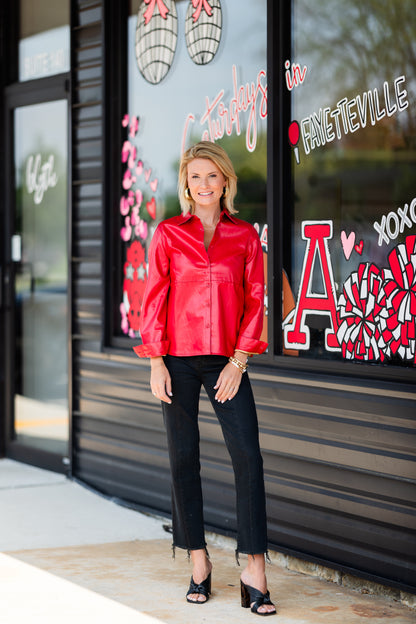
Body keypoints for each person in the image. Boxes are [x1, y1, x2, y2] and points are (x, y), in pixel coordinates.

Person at [133, 141, 276, 616]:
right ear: (187, 184)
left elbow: (257, 299)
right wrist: (155, 361)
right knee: (182, 458)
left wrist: (239, 361)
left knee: (248, 458)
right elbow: (152, 299)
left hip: (227, 361)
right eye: (196, 177)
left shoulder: (245, 236)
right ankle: (198, 560)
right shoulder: (169, 233)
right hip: (176, 359)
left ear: (226, 181)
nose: (205, 184)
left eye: (212, 175)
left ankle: (253, 567)